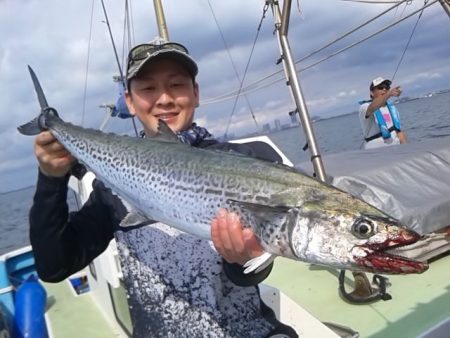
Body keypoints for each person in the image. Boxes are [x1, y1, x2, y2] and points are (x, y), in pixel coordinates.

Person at [29, 38, 298, 338]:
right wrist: (51, 179)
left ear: (195, 93)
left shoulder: (240, 163)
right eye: (148, 88)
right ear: (129, 101)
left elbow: (251, 269)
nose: (165, 98)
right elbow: (54, 266)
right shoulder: (114, 190)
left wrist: (245, 259)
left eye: (177, 85)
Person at [358, 77, 407, 149]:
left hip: (397, 150)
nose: (384, 89)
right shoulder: (365, 107)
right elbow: (372, 107)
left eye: (387, 88)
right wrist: (388, 94)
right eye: (380, 88)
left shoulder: (392, 109)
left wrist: (406, 148)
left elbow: (399, 131)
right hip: (376, 154)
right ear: (372, 92)